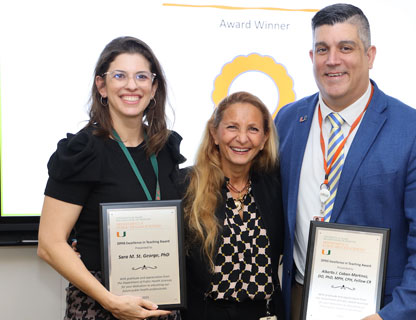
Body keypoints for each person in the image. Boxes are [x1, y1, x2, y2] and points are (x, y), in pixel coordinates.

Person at [274, 4, 416, 320]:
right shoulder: (288, 121)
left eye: (346, 48)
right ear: (311, 57)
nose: (332, 60)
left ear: (369, 56)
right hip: (301, 300)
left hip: (383, 309)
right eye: (322, 49)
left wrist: (393, 315)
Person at [37, 36, 185, 320]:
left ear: (154, 88)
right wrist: (111, 301)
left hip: (160, 307)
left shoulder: (165, 149)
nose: (132, 85)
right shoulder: (82, 150)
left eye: (142, 76)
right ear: (102, 86)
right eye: (120, 75)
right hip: (100, 306)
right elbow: (49, 243)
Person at [180, 91, 285, 320]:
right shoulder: (183, 186)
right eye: (232, 127)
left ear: (264, 139)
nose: (242, 138)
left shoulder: (277, 188)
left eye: (253, 129)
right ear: (214, 133)